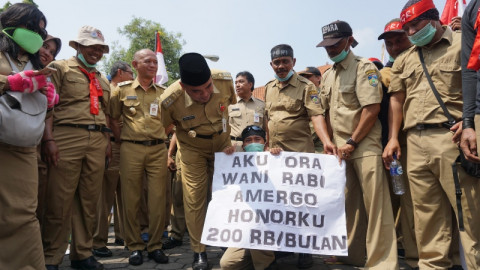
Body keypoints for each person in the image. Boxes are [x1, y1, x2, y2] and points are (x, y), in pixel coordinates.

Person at [383, 0, 480, 268]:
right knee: (426, 217)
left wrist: (471, 121)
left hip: (452, 139)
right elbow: (396, 100)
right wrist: (393, 138)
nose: (412, 32)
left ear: (435, 18)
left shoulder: (463, 43)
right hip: (414, 143)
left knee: (469, 216)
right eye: (407, 28)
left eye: (416, 24)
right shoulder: (404, 59)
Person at [316, 20, 398, 269]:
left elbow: (371, 109)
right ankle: (352, 254)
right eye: (327, 46)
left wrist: (352, 141)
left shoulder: (364, 68)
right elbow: (325, 112)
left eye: (336, 44)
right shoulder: (328, 75)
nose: (330, 49)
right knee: (349, 205)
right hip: (340, 150)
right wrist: (328, 142)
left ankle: (382, 262)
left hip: (364, 146)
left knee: (376, 208)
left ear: (350, 40)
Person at [41, 25, 111, 270]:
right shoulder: (59, 68)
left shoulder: (102, 79)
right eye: (91, 47)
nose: (96, 52)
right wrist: (48, 139)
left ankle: (82, 254)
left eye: (100, 49)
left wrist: (107, 142)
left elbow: (106, 113)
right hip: (66, 136)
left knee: (89, 200)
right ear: (78, 46)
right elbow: (47, 105)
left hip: (97, 140)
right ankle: (51, 257)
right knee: (59, 200)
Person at [161, 52, 236, 270]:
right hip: (192, 148)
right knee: (194, 199)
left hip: (223, 144)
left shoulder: (224, 79)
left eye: (208, 87)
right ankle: (199, 251)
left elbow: (229, 104)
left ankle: (225, 241)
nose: (204, 94)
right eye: (196, 91)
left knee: (224, 193)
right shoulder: (169, 99)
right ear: (183, 86)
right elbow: (166, 127)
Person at [0, 3, 57, 269]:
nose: (37, 35)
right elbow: (13, 83)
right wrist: (10, 82)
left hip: (23, 146)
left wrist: (49, 96)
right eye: (32, 28)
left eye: (41, 31)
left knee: (22, 215)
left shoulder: (37, 61)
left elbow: (45, 102)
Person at [264, 44, 325, 269]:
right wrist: (266, 145)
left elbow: (317, 116)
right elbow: (267, 121)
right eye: (277, 63)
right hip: (276, 157)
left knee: (302, 205)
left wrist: (326, 143)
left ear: (293, 62)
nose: (281, 66)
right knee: (280, 205)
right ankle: (284, 247)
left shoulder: (307, 86)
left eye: (285, 62)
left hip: (300, 157)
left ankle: (305, 250)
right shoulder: (269, 87)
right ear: (271, 65)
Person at [109, 49, 169, 266]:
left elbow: (170, 121)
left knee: (157, 200)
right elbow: (113, 118)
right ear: (135, 64)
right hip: (130, 149)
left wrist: (161, 136)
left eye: (155, 61)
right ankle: (134, 246)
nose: (153, 65)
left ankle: (154, 246)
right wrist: (122, 140)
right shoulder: (121, 90)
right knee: (131, 199)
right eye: (147, 61)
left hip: (157, 149)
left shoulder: (163, 92)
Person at [377, 19, 419, 269]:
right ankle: (402, 252)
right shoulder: (383, 74)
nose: (394, 47)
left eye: (399, 40)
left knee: (417, 202)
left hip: (420, 140)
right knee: (398, 197)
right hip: (393, 148)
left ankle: (417, 254)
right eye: (389, 43)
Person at [220, 125, 280, 270]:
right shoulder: (237, 163)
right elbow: (220, 193)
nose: (253, 143)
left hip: (274, 228)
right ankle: (260, 255)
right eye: (248, 140)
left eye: (257, 139)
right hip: (244, 226)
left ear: (265, 142)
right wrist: (226, 159)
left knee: (256, 224)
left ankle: (266, 264)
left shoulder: (275, 158)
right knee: (228, 264)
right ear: (244, 145)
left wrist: (280, 158)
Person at [92, 60, 133, 257]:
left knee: (126, 195)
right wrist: (109, 142)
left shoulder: (128, 90)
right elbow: (107, 117)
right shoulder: (106, 87)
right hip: (112, 145)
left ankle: (124, 236)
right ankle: (98, 240)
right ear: (120, 73)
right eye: (130, 72)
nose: (133, 76)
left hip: (128, 147)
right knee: (105, 195)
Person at [37, 34, 62, 227]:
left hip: (36, 145)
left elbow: (48, 111)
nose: (47, 53)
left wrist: (48, 139)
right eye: (44, 47)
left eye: (52, 52)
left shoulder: (47, 77)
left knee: (39, 201)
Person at [228, 71, 266, 152]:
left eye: (241, 82)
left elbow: (266, 129)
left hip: (256, 148)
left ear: (250, 84)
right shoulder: (229, 105)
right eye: (236, 83)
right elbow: (224, 129)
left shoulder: (262, 105)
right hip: (235, 148)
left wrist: (266, 146)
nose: (237, 85)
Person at [163, 132, 187, 250]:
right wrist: (169, 154)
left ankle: (206, 234)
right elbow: (177, 132)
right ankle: (176, 235)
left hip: (207, 154)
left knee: (206, 197)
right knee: (178, 196)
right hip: (184, 155)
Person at [298, 66, 324, 154]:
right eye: (303, 77)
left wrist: (303, 141)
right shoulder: (301, 96)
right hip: (302, 143)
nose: (305, 79)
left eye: (308, 77)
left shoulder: (321, 96)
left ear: (318, 78)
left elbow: (319, 119)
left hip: (317, 146)